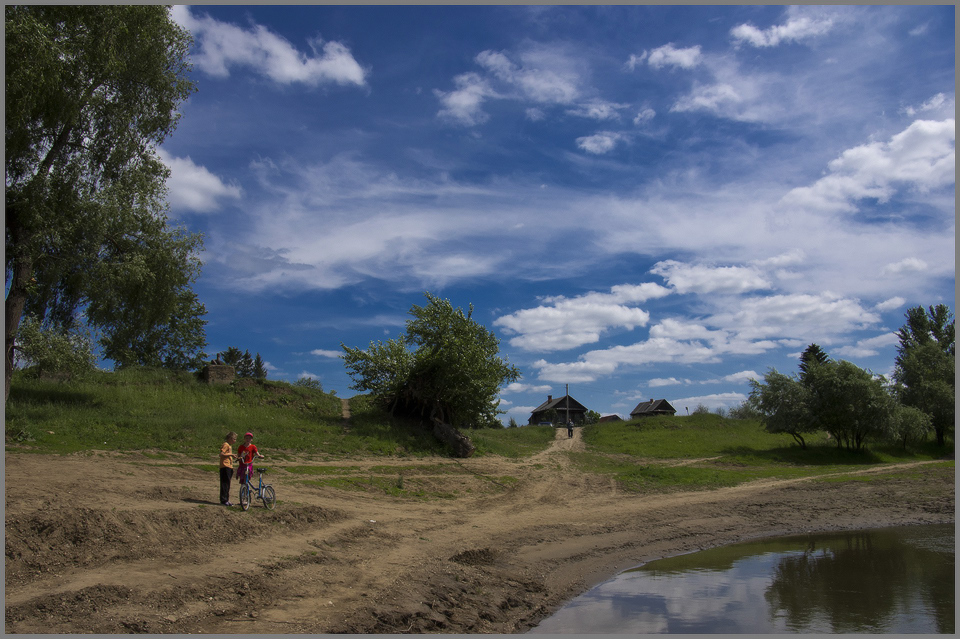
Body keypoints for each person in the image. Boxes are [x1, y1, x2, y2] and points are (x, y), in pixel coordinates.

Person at [219, 431, 238, 506]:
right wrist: (231, 454)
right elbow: (221, 454)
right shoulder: (225, 445)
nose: (235, 441)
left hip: (229, 466)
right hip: (225, 466)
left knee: (228, 483)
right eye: (234, 439)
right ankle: (224, 500)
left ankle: (226, 499)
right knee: (225, 483)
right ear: (230, 438)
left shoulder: (229, 446)